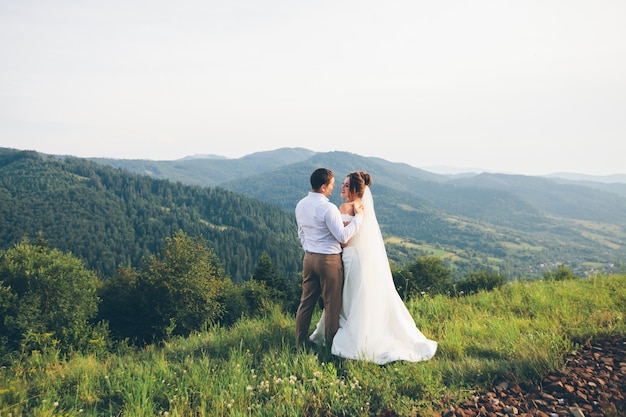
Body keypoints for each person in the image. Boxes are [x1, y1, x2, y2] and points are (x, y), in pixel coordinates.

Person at [310, 171, 437, 364]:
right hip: (361, 258)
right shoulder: (363, 207)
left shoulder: (345, 206)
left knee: (346, 299)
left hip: (350, 258)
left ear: (353, 189)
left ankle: (348, 337)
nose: (341, 188)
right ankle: (368, 332)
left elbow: (345, 239)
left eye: (345, 185)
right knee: (359, 298)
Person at [294, 168, 364, 349]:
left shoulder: (301, 204)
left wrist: (310, 248)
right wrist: (358, 220)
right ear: (324, 187)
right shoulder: (328, 208)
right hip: (329, 261)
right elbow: (342, 236)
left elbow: (301, 233)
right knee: (332, 305)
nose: (334, 187)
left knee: (306, 303)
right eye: (332, 184)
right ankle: (331, 345)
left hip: (309, 259)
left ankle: (300, 342)